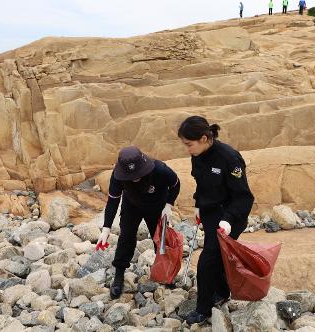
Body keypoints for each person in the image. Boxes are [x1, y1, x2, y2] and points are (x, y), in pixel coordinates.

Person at [177, 116, 254, 325]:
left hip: (231, 218)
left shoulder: (230, 159)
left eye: (189, 144)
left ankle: (203, 310)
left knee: (206, 262)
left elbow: (244, 197)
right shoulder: (198, 154)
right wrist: (198, 205)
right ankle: (221, 292)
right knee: (217, 257)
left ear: (204, 138)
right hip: (211, 214)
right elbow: (201, 183)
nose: (187, 149)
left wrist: (228, 220)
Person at [96, 146, 181, 299]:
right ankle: (119, 276)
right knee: (126, 238)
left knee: (160, 241)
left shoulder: (160, 170)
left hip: (157, 208)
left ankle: (166, 274)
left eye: (138, 174)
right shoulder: (117, 176)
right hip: (132, 206)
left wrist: (169, 204)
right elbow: (113, 201)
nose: (135, 178)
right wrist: (106, 228)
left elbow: (176, 184)